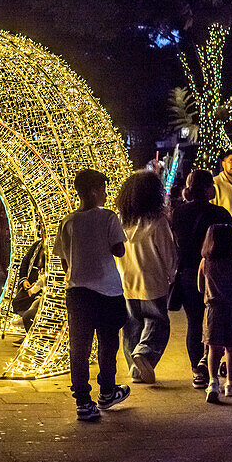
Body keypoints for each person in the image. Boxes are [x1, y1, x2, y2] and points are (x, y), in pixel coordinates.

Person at [52, 168, 130, 422]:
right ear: (95, 191)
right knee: (108, 344)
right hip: (108, 290)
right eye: (104, 190)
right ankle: (107, 391)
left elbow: (64, 259)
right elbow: (119, 250)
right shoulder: (108, 217)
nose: (106, 195)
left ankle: (83, 402)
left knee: (80, 347)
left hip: (77, 292)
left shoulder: (68, 221)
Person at [171, 171, 232, 388]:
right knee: (217, 321)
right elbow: (231, 244)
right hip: (217, 273)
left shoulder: (178, 213)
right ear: (209, 188)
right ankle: (214, 372)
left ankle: (198, 371)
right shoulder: (220, 214)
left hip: (189, 272)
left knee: (195, 322)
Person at [114, 170, 177, 384]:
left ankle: (135, 370)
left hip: (126, 283)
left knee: (132, 327)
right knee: (158, 323)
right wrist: (172, 274)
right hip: (153, 283)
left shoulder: (121, 222)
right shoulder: (158, 222)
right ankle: (145, 354)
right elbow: (169, 255)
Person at [198, 224, 232, 404]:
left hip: (214, 309)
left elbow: (200, 287)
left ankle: (213, 382)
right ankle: (231, 383)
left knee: (214, 347)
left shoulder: (205, 262)